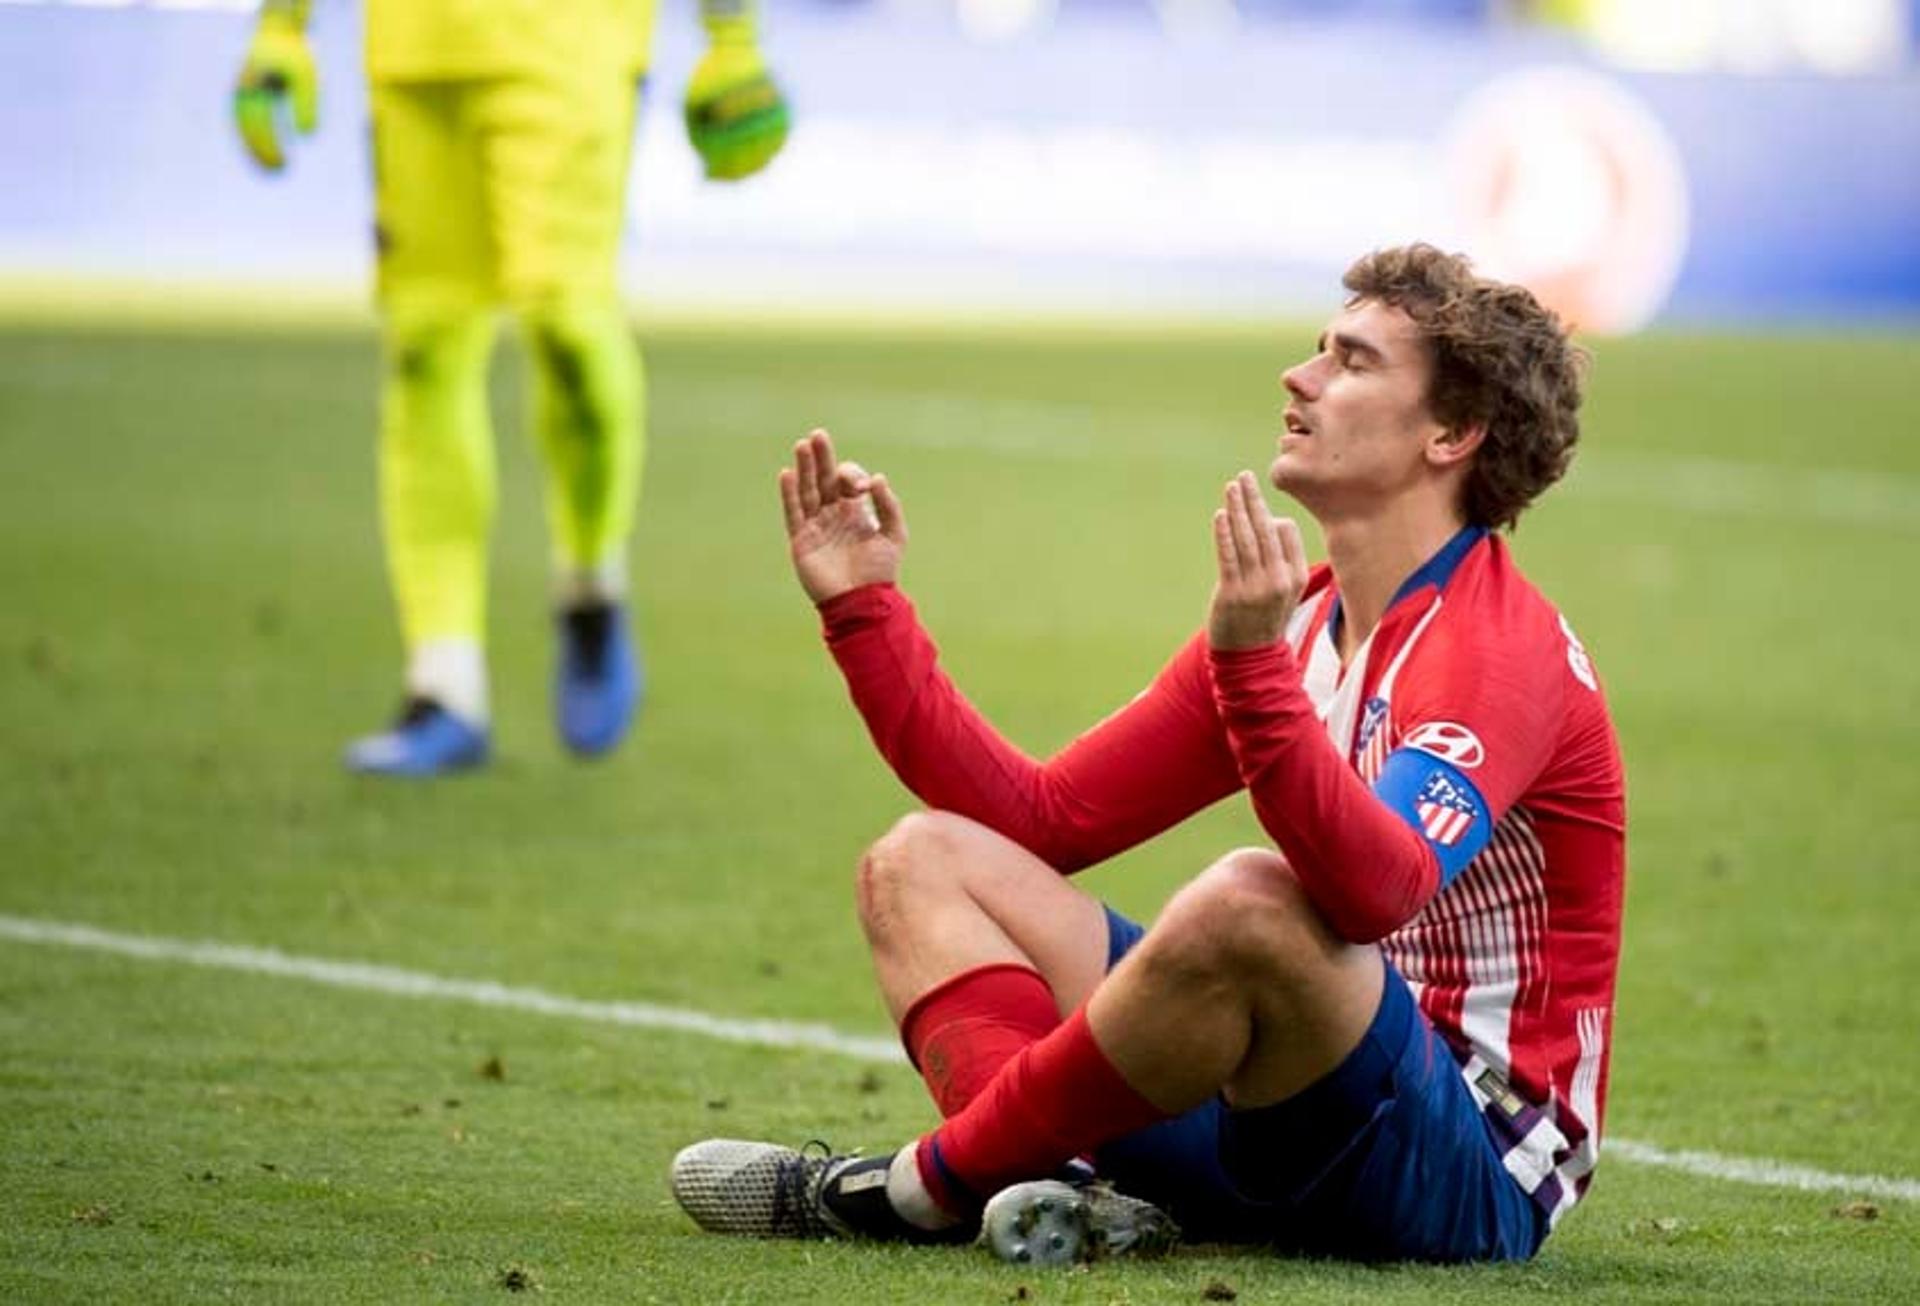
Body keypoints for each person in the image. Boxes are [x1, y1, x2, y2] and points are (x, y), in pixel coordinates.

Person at [672, 245, 1625, 1265]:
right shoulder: (1300, 621)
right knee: (923, 862)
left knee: (1253, 901)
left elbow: (1373, 891)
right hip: (1281, 1111)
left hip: (1468, 1169)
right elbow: (1041, 817)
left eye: (1350, 361)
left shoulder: (1498, 648)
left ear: (1453, 433)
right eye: (1316, 349)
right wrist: (864, 610)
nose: (1298, 377)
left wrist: (1253, 674)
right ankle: (1061, 1197)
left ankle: (923, 1187)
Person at [231, 0, 790, 775]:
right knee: (424, 349)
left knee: (569, 330)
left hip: (573, 45)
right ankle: (443, 684)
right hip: (414, 52)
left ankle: (592, 587)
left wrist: (732, 37)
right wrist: (281, 27)